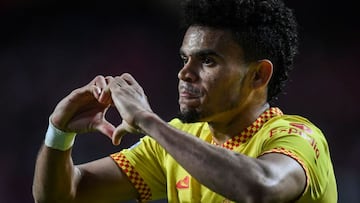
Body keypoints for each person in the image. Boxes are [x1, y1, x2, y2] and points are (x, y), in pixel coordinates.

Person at [32, 0, 337, 202]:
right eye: (184, 58)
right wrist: (59, 132)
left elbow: (261, 188)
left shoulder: (297, 137)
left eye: (207, 61)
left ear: (258, 75)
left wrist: (148, 120)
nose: (184, 73)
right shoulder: (177, 141)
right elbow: (65, 194)